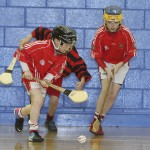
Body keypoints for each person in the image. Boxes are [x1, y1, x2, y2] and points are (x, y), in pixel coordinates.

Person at [15, 26, 91, 133]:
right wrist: (26, 70)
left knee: (36, 104)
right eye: (67, 45)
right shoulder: (41, 45)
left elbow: (55, 71)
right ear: (56, 40)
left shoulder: (63, 56)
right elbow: (21, 51)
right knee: (38, 100)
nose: (68, 48)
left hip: (43, 77)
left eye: (71, 46)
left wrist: (47, 79)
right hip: (31, 74)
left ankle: (20, 112)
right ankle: (33, 131)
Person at [89, 5, 136, 135]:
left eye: (115, 22)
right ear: (105, 21)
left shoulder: (126, 33)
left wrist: (119, 65)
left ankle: (99, 120)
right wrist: (107, 69)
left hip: (121, 64)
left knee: (113, 95)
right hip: (105, 63)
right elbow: (97, 56)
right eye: (110, 22)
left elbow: (131, 52)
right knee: (105, 90)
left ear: (120, 21)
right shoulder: (99, 33)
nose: (113, 25)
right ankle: (94, 122)